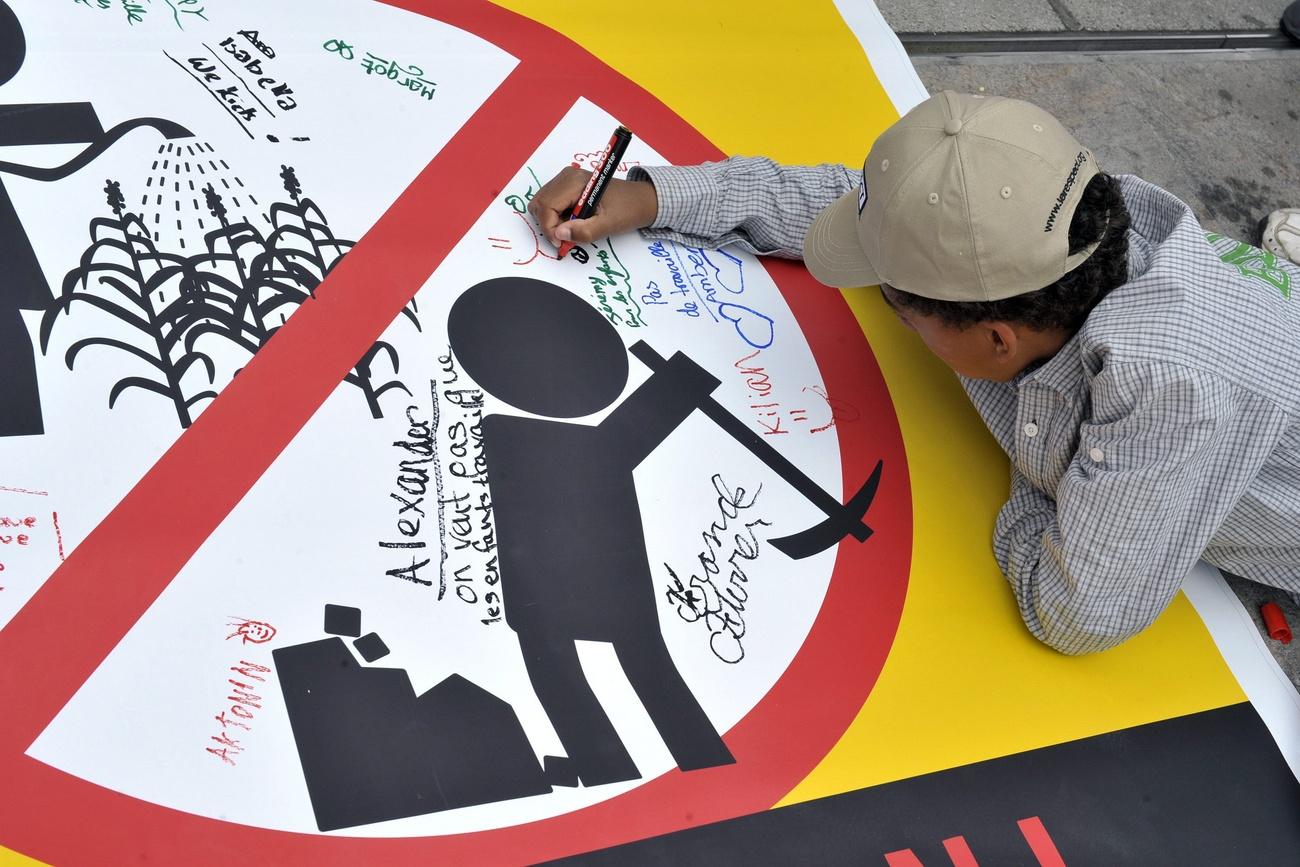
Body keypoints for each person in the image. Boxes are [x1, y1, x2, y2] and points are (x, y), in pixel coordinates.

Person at [529, 90, 1300, 656]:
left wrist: (1051, 477)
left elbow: (1078, 611)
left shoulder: (1170, 392)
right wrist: (656, 195)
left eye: (902, 308)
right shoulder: (1063, 215)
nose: (888, 307)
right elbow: (868, 212)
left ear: (999, 341)